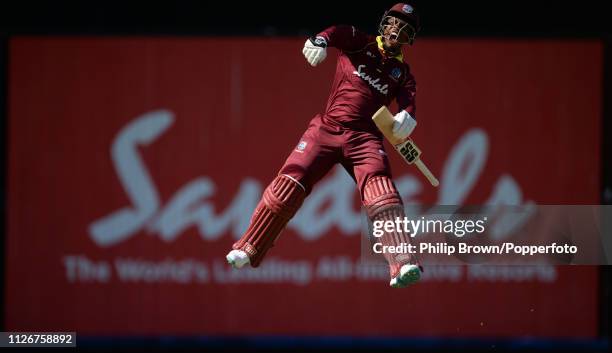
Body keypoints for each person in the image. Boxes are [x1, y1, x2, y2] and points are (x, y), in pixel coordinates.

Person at [226, 3, 423, 288]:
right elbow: (339, 32)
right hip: (327, 129)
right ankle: (249, 246)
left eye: (404, 27)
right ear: (383, 24)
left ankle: (402, 263)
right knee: (289, 185)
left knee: (383, 194)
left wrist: (408, 116)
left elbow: (409, 102)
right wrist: (320, 39)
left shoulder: (402, 73)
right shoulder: (361, 42)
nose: (396, 30)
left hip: (365, 139)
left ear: (410, 38)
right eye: (393, 22)